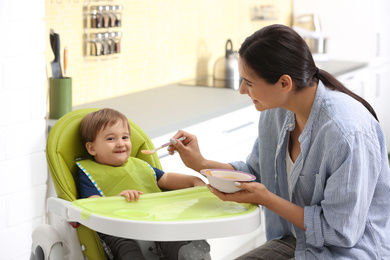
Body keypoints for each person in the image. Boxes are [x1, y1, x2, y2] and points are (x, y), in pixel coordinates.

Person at [168, 24, 390, 259]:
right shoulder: (275, 112)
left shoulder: (346, 132)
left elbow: (340, 233)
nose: (242, 89)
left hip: (346, 253)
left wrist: (265, 199)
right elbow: (255, 172)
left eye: (249, 82)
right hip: (297, 243)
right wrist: (199, 163)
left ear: (284, 83)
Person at [77, 108, 211, 260]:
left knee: (169, 236)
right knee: (125, 248)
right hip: (118, 230)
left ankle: (184, 252)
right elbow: (91, 204)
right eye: (111, 139)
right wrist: (117, 200)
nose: (120, 143)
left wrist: (193, 181)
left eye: (125, 137)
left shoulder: (139, 166)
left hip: (153, 223)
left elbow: (166, 178)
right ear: (91, 148)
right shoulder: (89, 172)